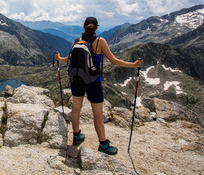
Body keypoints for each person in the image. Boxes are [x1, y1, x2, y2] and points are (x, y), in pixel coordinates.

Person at [54, 17, 143, 155]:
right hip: (93, 82)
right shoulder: (100, 42)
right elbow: (113, 61)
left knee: (76, 109)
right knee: (98, 115)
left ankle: (76, 136)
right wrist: (134, 65)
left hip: (76, 80)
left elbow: (67, 59)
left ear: (83, 26)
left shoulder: (77, 41)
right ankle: (103, 144)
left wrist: (58, 58)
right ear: (96, 28)